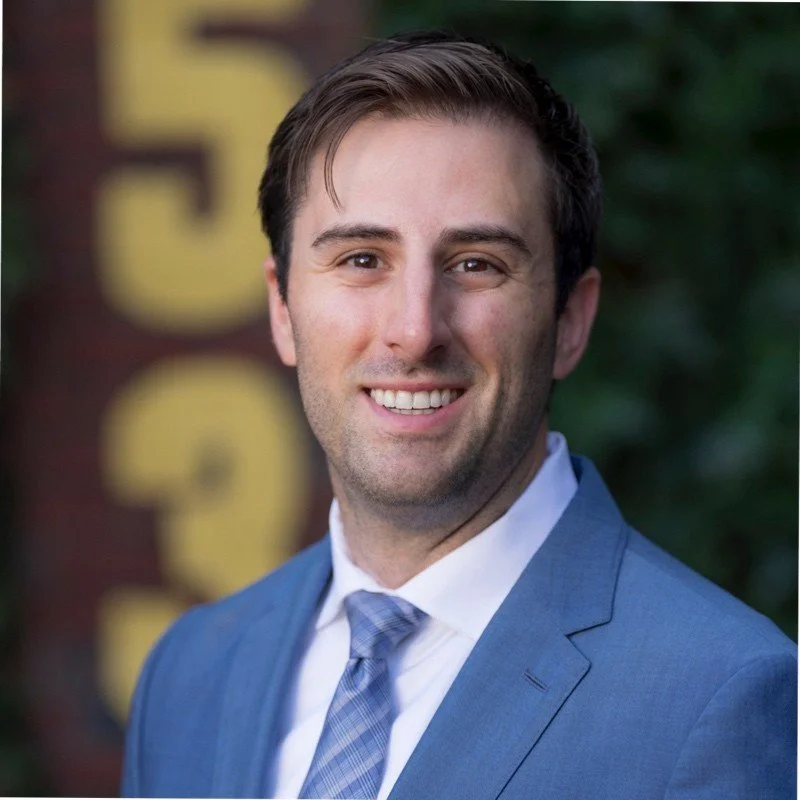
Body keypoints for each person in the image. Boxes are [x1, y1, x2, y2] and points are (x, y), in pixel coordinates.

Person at [121, 31, 796, 799]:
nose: (415, 329)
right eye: (361, 259)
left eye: (477, 264)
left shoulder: (720, 696)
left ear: (570, 321)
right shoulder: (188, 677)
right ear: (282, 308)